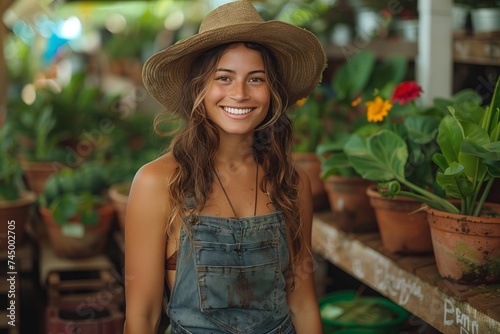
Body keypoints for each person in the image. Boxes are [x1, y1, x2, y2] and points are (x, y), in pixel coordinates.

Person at [123, 1, 326, 333]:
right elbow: (142, 318)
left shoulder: (291, 182)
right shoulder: (158, 183)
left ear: (272, 91)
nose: (240, 93)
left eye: (256, 79)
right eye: (224, 78)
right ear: (199, 88)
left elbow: (302, 305)